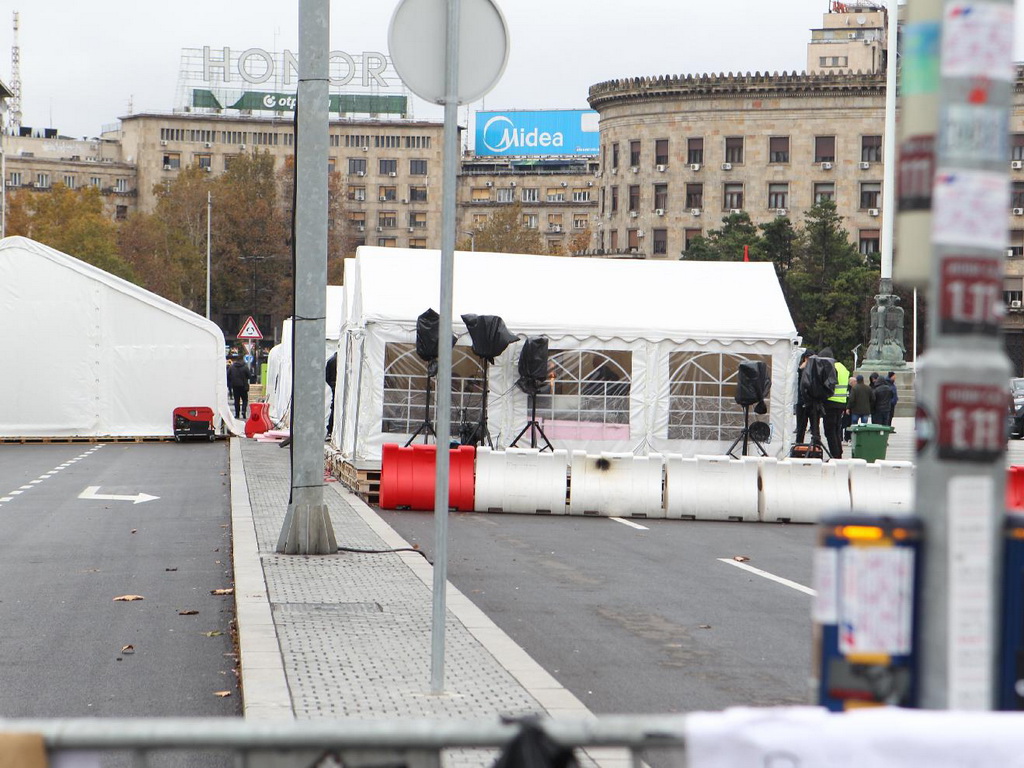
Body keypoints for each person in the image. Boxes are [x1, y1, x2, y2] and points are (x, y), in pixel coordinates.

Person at [821, 348, 849, 459]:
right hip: (841, 402)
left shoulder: (831, 367)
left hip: (831, 402)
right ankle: (838, 453)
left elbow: (828, 384)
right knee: (836, 429)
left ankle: (835, 454)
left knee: (829, 431)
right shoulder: (842, 367)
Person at [795, 350, 811, 443]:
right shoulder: (801, 369)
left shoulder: (814, 369)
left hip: (810, 401)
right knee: (801, 427)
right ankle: (799, 443)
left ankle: (815, 446)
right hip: (801, 401)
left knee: (814, 428)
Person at [228, 354, 251, 420]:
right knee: (244, 399)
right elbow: (249, 376)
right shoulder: (245, 367)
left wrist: (232, 381)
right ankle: (243, 411)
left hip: (235, 386)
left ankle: (237, 414)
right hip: (243, 386)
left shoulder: (232, 367)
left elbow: (228, 375)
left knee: (236, 400)